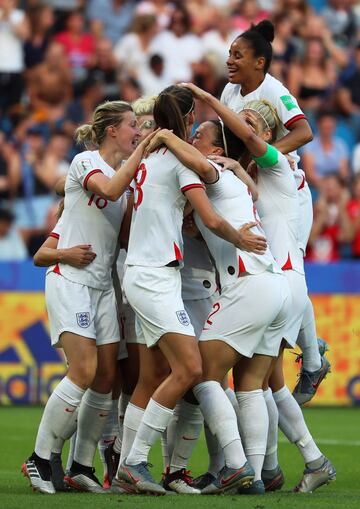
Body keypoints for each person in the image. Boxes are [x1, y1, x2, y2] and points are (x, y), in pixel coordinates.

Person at [184, 82, 336, 493]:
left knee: (214, 375)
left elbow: (249, 141)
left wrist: (213, 103)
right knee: (262, 383)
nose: (241, 128)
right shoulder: (252, 175)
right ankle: (280, 465)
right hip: (283, 285)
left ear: (268, 135)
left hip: (279, 281)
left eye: (249, 123)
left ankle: (253, 465)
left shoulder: (276, 164)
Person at [116, 85, 267, 495]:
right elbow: (212, 219)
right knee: (191, 370)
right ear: (185, 120)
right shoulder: (182, 163)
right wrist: (242, 238)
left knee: (152, 377)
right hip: (157, 277)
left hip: (144, 272)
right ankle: (134, 463)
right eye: (194, 121)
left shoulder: (149, 158)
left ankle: (130, 472)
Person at [21, 99, 157, 495]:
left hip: (102, 289)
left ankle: (80, 465)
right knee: (82, 371)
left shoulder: (126, 181)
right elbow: (110, 189)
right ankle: (40, 458)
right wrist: (143, 155)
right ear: (112, 129)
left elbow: (128, 235)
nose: (138, 131)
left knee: (106, 376)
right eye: (133, 125)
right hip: (72, 282)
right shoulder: (86, 162)